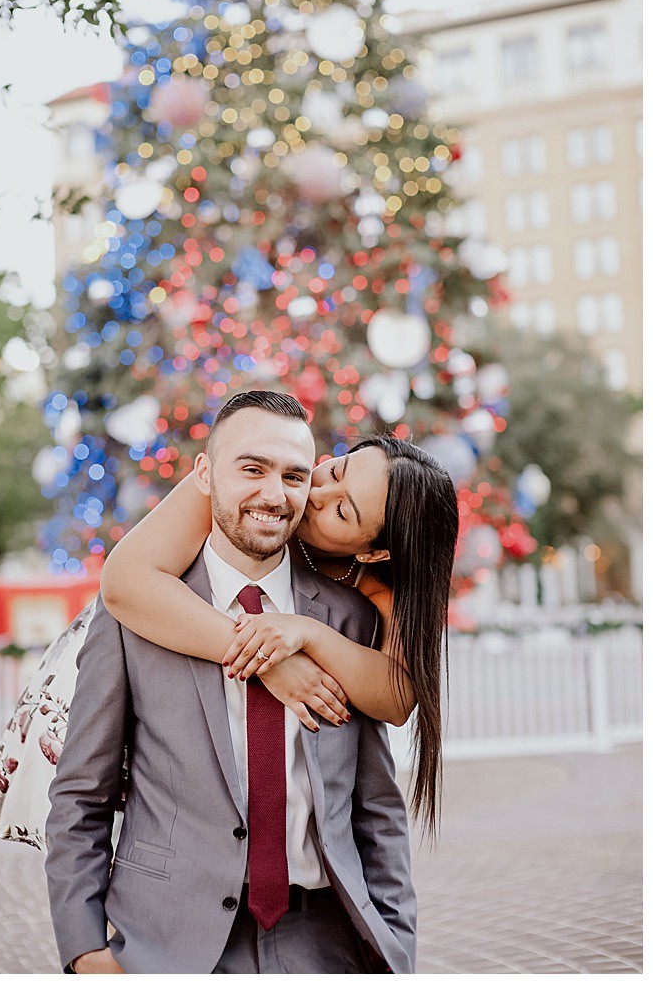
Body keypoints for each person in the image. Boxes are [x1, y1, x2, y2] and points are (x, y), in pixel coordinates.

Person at [44, 391, 415, 972]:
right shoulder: (139, 612)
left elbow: (376, 809)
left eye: (296, 475)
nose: (281, 494)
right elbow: (80, 796)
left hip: (324, 943)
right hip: (166, 945)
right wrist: (85, 949)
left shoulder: (355, 619)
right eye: (252, 469)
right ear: (204, 474)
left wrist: (394, 948)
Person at [0, 422, 457, 846]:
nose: (313, 494)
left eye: (342, 511)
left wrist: (307, 634)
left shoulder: (383, 588)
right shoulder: (248, 484)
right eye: (335, 471)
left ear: (374, 553)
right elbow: (125, 583)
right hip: (140, 633)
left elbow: (397, 697)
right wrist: (272, 660)